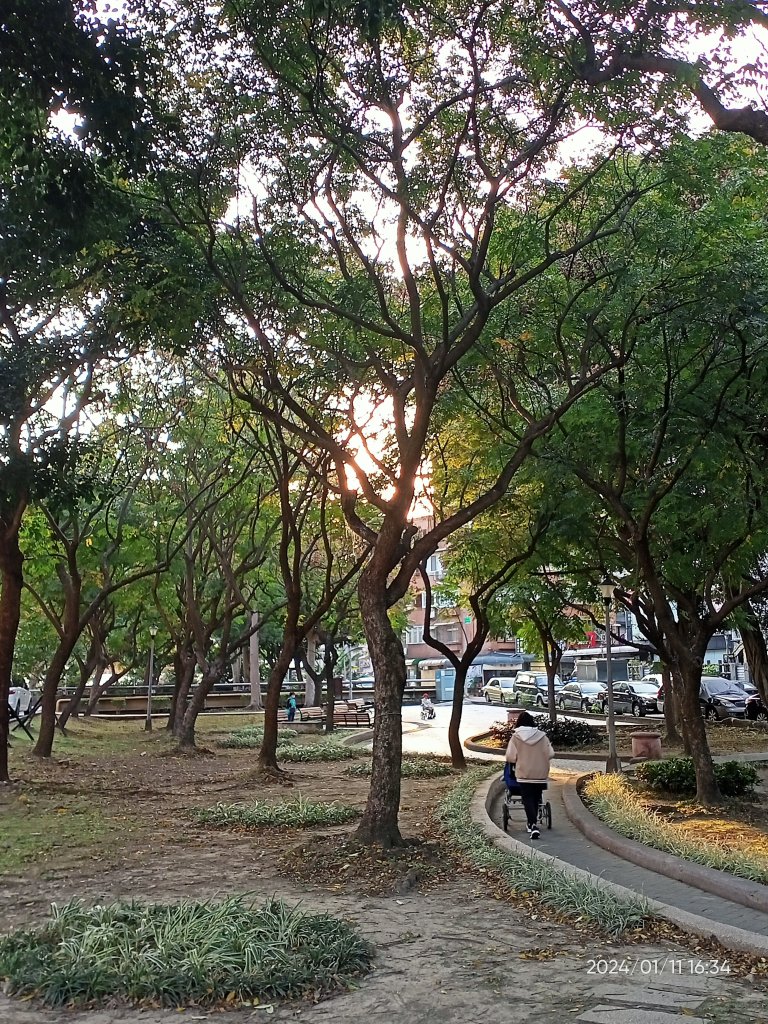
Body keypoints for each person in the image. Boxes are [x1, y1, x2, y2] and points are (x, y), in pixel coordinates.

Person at [505, 710, 554, 840]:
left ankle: (532, 824)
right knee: (537, 797)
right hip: (540, 773)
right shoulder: (542, 737)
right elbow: (550, 754)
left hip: (524, 773)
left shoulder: (516, 737)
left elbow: (510, 757)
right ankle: (533, 822)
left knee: (527, 798)